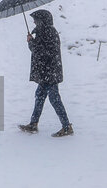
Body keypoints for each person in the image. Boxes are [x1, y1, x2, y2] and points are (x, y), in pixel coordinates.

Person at [18, 9, 73, 137]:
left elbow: (43, 52)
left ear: (42, 21)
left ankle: (66, 127)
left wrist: (31, 42)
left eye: (36, 20)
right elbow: (39, 49)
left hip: (50, 72)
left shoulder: (49, 32)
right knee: (39, 96)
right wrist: (32, 41)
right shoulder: (44, 32)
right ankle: (33, 124)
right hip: (47, 72)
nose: (34, 22)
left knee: (54, 99)